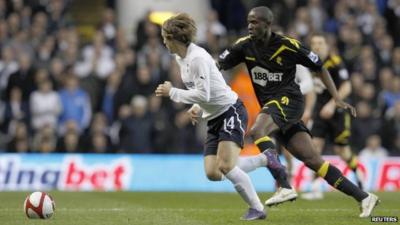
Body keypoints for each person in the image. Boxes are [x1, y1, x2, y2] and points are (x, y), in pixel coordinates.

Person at [218, 6, 379, 218]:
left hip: (289, 101)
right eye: (249, 21)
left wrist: (337, 97)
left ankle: (284, 184)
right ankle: (364, 196)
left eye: (255, 22)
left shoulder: (288, 45)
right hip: (275, 107)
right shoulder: (244, 46)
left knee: (257, 131)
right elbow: (218, 65)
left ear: (267, 25)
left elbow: (319, 66)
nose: (250, 25)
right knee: (313, 160)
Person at [155, 13, 267, 220]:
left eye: (164, 37)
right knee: (213, 173)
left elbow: (204, 93)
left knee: (225, 165)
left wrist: (173, 92)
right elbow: (205, 90)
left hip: (230, 110)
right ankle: (263, 159)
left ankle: (257, 208)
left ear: (174, 38)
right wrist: (197, 107)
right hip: (214, 116)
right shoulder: (181, 58)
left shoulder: (197, 58)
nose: (163, 42)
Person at [301, 33, 364, 200]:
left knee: (341, 150)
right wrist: (308, 110)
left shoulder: (335, 62)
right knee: (314, 148)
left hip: (337, 112)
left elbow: (347, 87)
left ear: (326, 46)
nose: (317, 46)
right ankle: (315, 188)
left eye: (320, 43)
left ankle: (358, 174)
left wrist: (331, 104)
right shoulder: (308, 64)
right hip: (320, 113)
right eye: (314, 43)